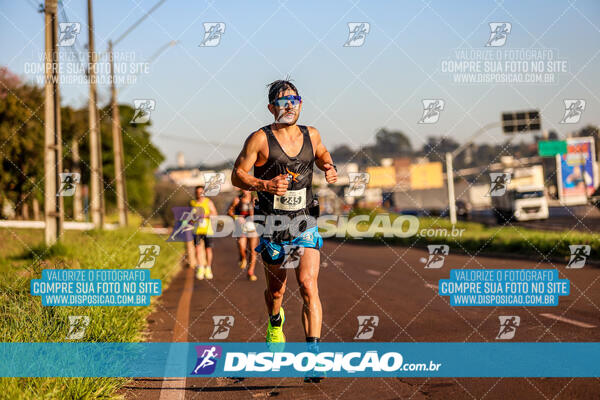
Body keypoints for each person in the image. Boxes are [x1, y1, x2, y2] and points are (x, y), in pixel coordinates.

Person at [231, 80, 337, 374]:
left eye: (294, 100)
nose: (290, 105)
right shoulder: (259, 139)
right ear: (271, 108)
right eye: (282, 101)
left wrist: (328, 166)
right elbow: (237, 175)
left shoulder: (311, 134)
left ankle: (313, 357)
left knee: (307, 284)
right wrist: (264, 183)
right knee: (276, 292)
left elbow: (323, 153)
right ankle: (275, 322)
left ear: (301, 104)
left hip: (306, 220)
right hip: (271, 223)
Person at [227, 190, 259, 281]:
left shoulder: (254, 199)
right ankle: (243, 257)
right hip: (241, 227)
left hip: (253, 226)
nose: (246, 190)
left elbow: (261, 211)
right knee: (242, 246)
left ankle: (251, 271)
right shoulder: (237, 200)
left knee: (253, 250)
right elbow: (229, 212)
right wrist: (237, 218)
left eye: (248, 188)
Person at [190, 185, 217, 280]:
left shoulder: (208, 202)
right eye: (197, 192)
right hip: (197, 230)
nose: (199, 194)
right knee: (197, 249)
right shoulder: (193, 203)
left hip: (207, 230)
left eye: (201, 192)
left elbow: (214, 214)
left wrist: (205, 215)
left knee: (208, 249)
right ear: (195, 193)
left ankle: (208, 268)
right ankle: (201, 268)